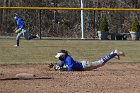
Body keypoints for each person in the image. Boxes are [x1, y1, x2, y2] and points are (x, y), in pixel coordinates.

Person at [49, 49, 125, 71]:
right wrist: (55, 66)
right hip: (84, 64)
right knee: (101, 62)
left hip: (86, 66)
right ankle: (112, 54)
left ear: (63, 56)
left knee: (101, 63)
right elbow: (60, 65)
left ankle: (115, 53)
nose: (59, 58)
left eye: (59, 56)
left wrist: (62, 69)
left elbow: (70, 68)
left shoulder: (68, 59)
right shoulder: (64, 59)